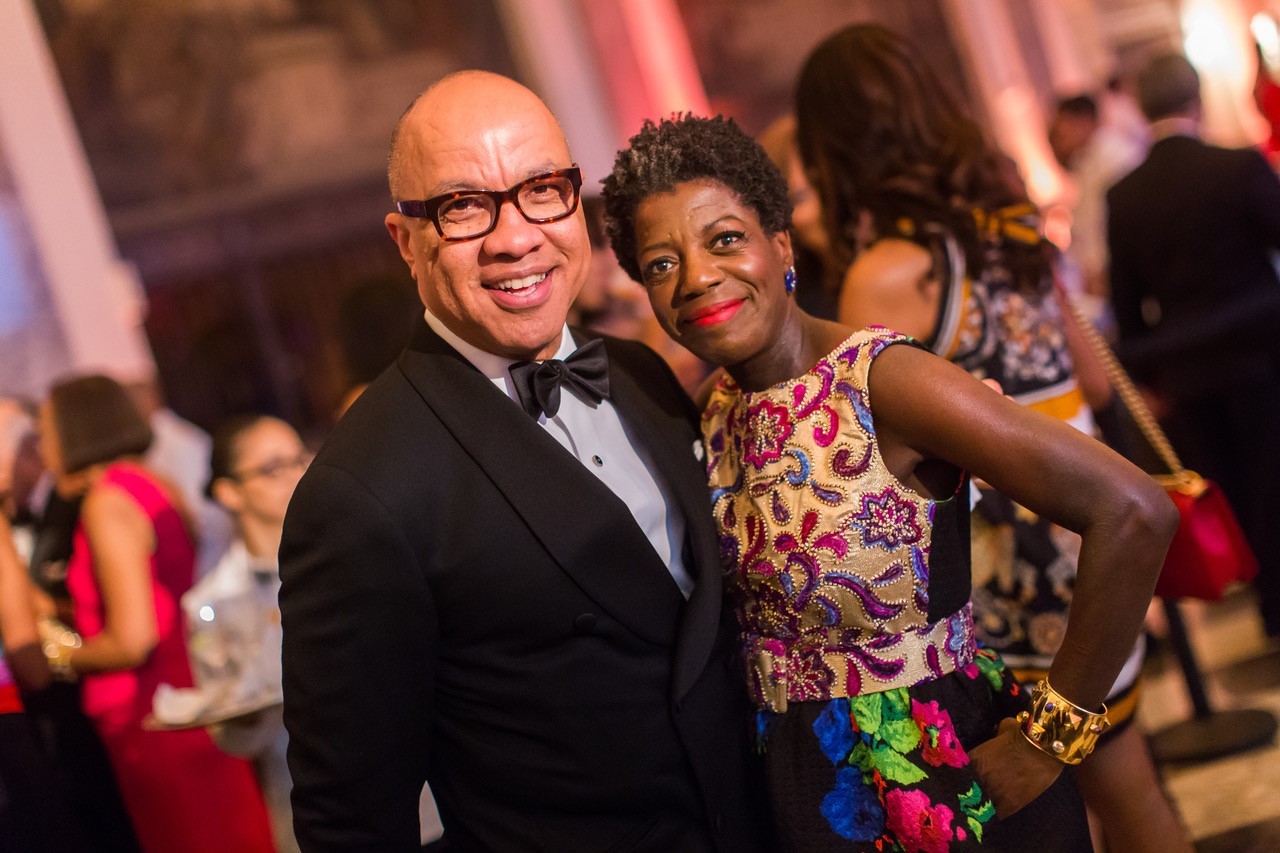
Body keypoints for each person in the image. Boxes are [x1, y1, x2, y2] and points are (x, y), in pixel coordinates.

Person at [602, 111, 1177, 851]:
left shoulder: (883, 379)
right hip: (799, 790)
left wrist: (1049, 736)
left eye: (724, 239)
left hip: (944, 786)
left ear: (780, 244)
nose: (697, 275)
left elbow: (1132, 510)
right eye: (660, 263)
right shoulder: (713, 412)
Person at [279, 70, 771, 851]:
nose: (514, 236)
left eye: (542, 188)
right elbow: (350, 821)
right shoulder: (361, 493)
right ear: (406, 241)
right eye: (463, 206)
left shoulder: (642, 374)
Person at [791, 24, 1191, 852]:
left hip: (1017, 579)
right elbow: (1084, 365)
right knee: (1129, 790)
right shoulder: (1006, 228)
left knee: (1082, 804)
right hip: (1091, 551)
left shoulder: (891, 272)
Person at [36, 375, 275, 853]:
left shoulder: (107, 502)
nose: (43, 446)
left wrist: (55, 653)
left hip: (150, 716)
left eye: (46, 431)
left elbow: (133, 637)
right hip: (186, 696)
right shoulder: (151, 482)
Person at [1107, 53, 1280, 639]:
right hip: (1263, 352)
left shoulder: (1125, 196)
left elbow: (1130, 309)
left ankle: (1267, 604)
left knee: (1228, 492)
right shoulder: (1234, 166)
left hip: (1186, 371)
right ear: (1197, 98)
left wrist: (1150, 382)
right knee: (1273, 480)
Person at [183, 415, 310, 853]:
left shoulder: (358, 555)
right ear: (229, 492)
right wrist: (249, 713)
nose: (297, 475)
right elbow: (232, 736)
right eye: (274, 468)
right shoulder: (212, 601)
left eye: (300, 459)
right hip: (303, 794)